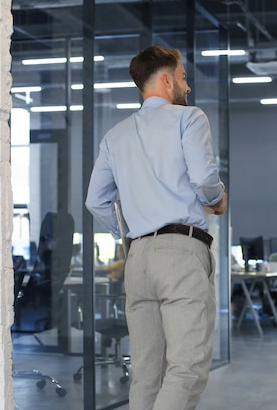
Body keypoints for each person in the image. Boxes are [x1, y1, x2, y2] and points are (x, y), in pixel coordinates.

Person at [85, 45, 227, 410]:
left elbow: (96, 201)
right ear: (166, 80)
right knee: (187, 368)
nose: (187, 87)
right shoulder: (188, 118)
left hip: (139, 258)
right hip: (181, 254)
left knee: (147, 372)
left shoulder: (115, 136)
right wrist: (218, 197)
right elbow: (204, 178)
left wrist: (127, 238)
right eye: (183, 78)